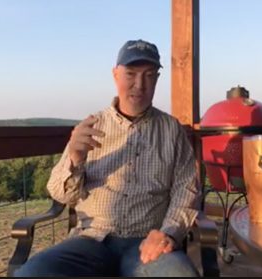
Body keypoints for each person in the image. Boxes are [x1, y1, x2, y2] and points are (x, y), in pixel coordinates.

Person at [14, 39, 201, 277]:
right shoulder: (91, 126)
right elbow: (60, 194)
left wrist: (169, 232)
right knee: (31, 274)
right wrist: (75, 157)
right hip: (91, 241)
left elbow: (187, 190)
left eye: (149, 75)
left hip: (146, 243)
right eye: (130, 74)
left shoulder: (171, 130)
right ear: (115, 75)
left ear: (157, 79)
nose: (139, 85)